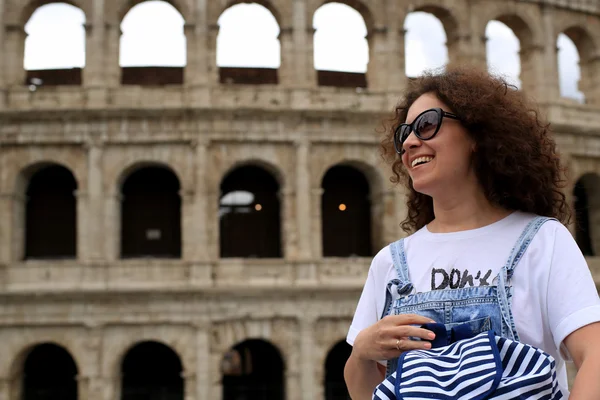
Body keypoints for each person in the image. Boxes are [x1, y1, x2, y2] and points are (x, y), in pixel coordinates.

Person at [344, 66, 600, 399]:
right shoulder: (391, 262)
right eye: (403, 134)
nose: (408, 143)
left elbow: (593, 354)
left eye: (426, 125)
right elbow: (363, 391)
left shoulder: (542, 241)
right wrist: (363, 350)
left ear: (478, 136)